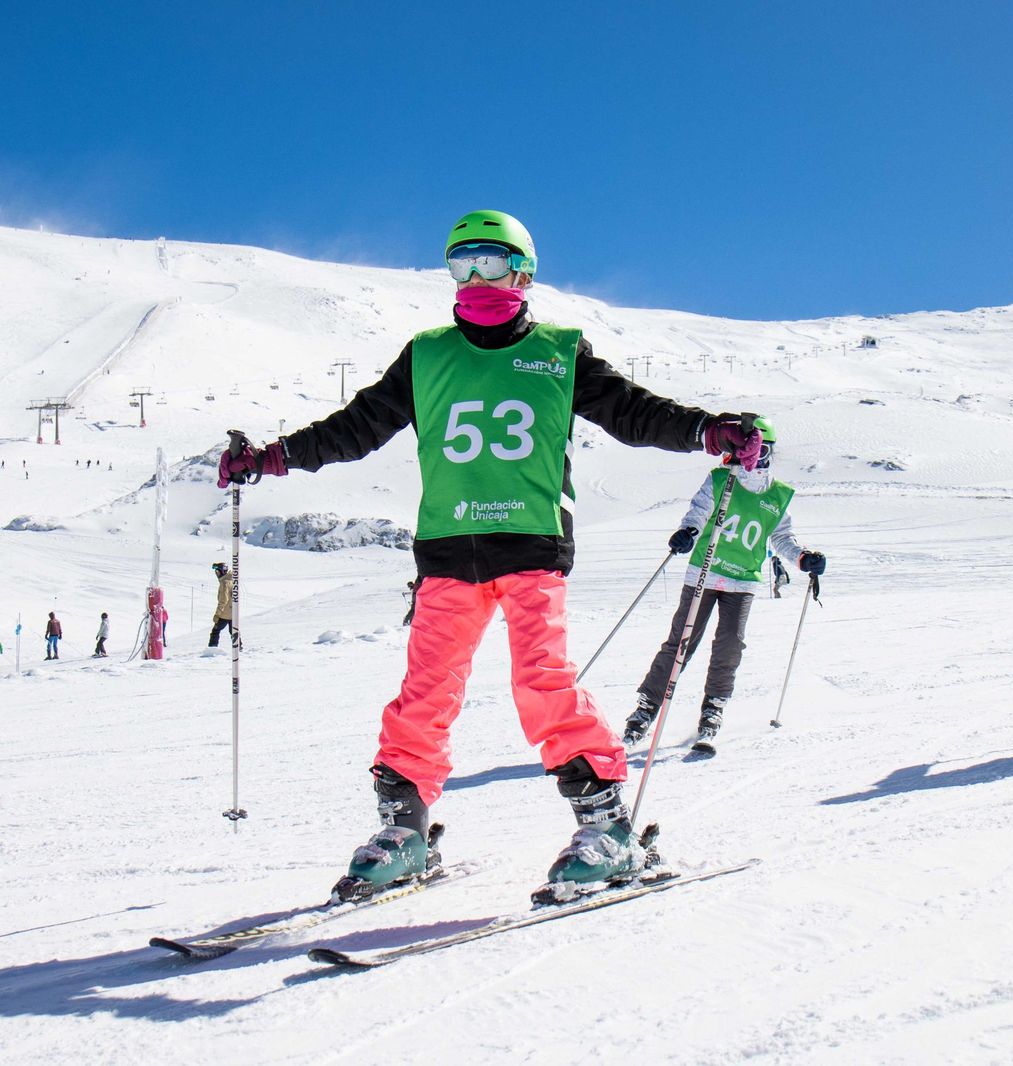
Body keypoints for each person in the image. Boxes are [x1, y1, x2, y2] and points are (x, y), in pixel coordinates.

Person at [215, 209, 767, 899]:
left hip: (530, 543)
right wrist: (273, 457)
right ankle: (405, 832)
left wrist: (705, 431)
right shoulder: (427, 355)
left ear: (525, 274)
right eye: (462, 262)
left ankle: (608, 829)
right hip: (448, 553)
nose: (476, 276)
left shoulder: (562, 351)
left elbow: (633, 411)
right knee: (424, 692)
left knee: (541, 682)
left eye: (492, 262)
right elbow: (356, 427)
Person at [623, 418, 824, 746]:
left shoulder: (778, 494)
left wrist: (802, 558)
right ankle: (647, 707)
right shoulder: (721, 479)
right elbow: (699, 512)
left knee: (729, 644)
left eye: (759, 449)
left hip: (742, 579)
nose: (750, 456)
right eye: (741, 448)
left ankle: (713, 707)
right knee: (682, 642)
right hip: (705, 570)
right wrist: (688, 531)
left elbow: (782, 536)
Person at [207, 563, 235, 647]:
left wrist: (217, 614)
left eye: (217, 572)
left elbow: (223, 600)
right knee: (233, 631)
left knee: (215, 631)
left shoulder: (224, 583)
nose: (216, 574)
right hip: (232, 612)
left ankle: (212, 648)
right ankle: (239, 647)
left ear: (221, 572)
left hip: (225, 614)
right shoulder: (231, 580)